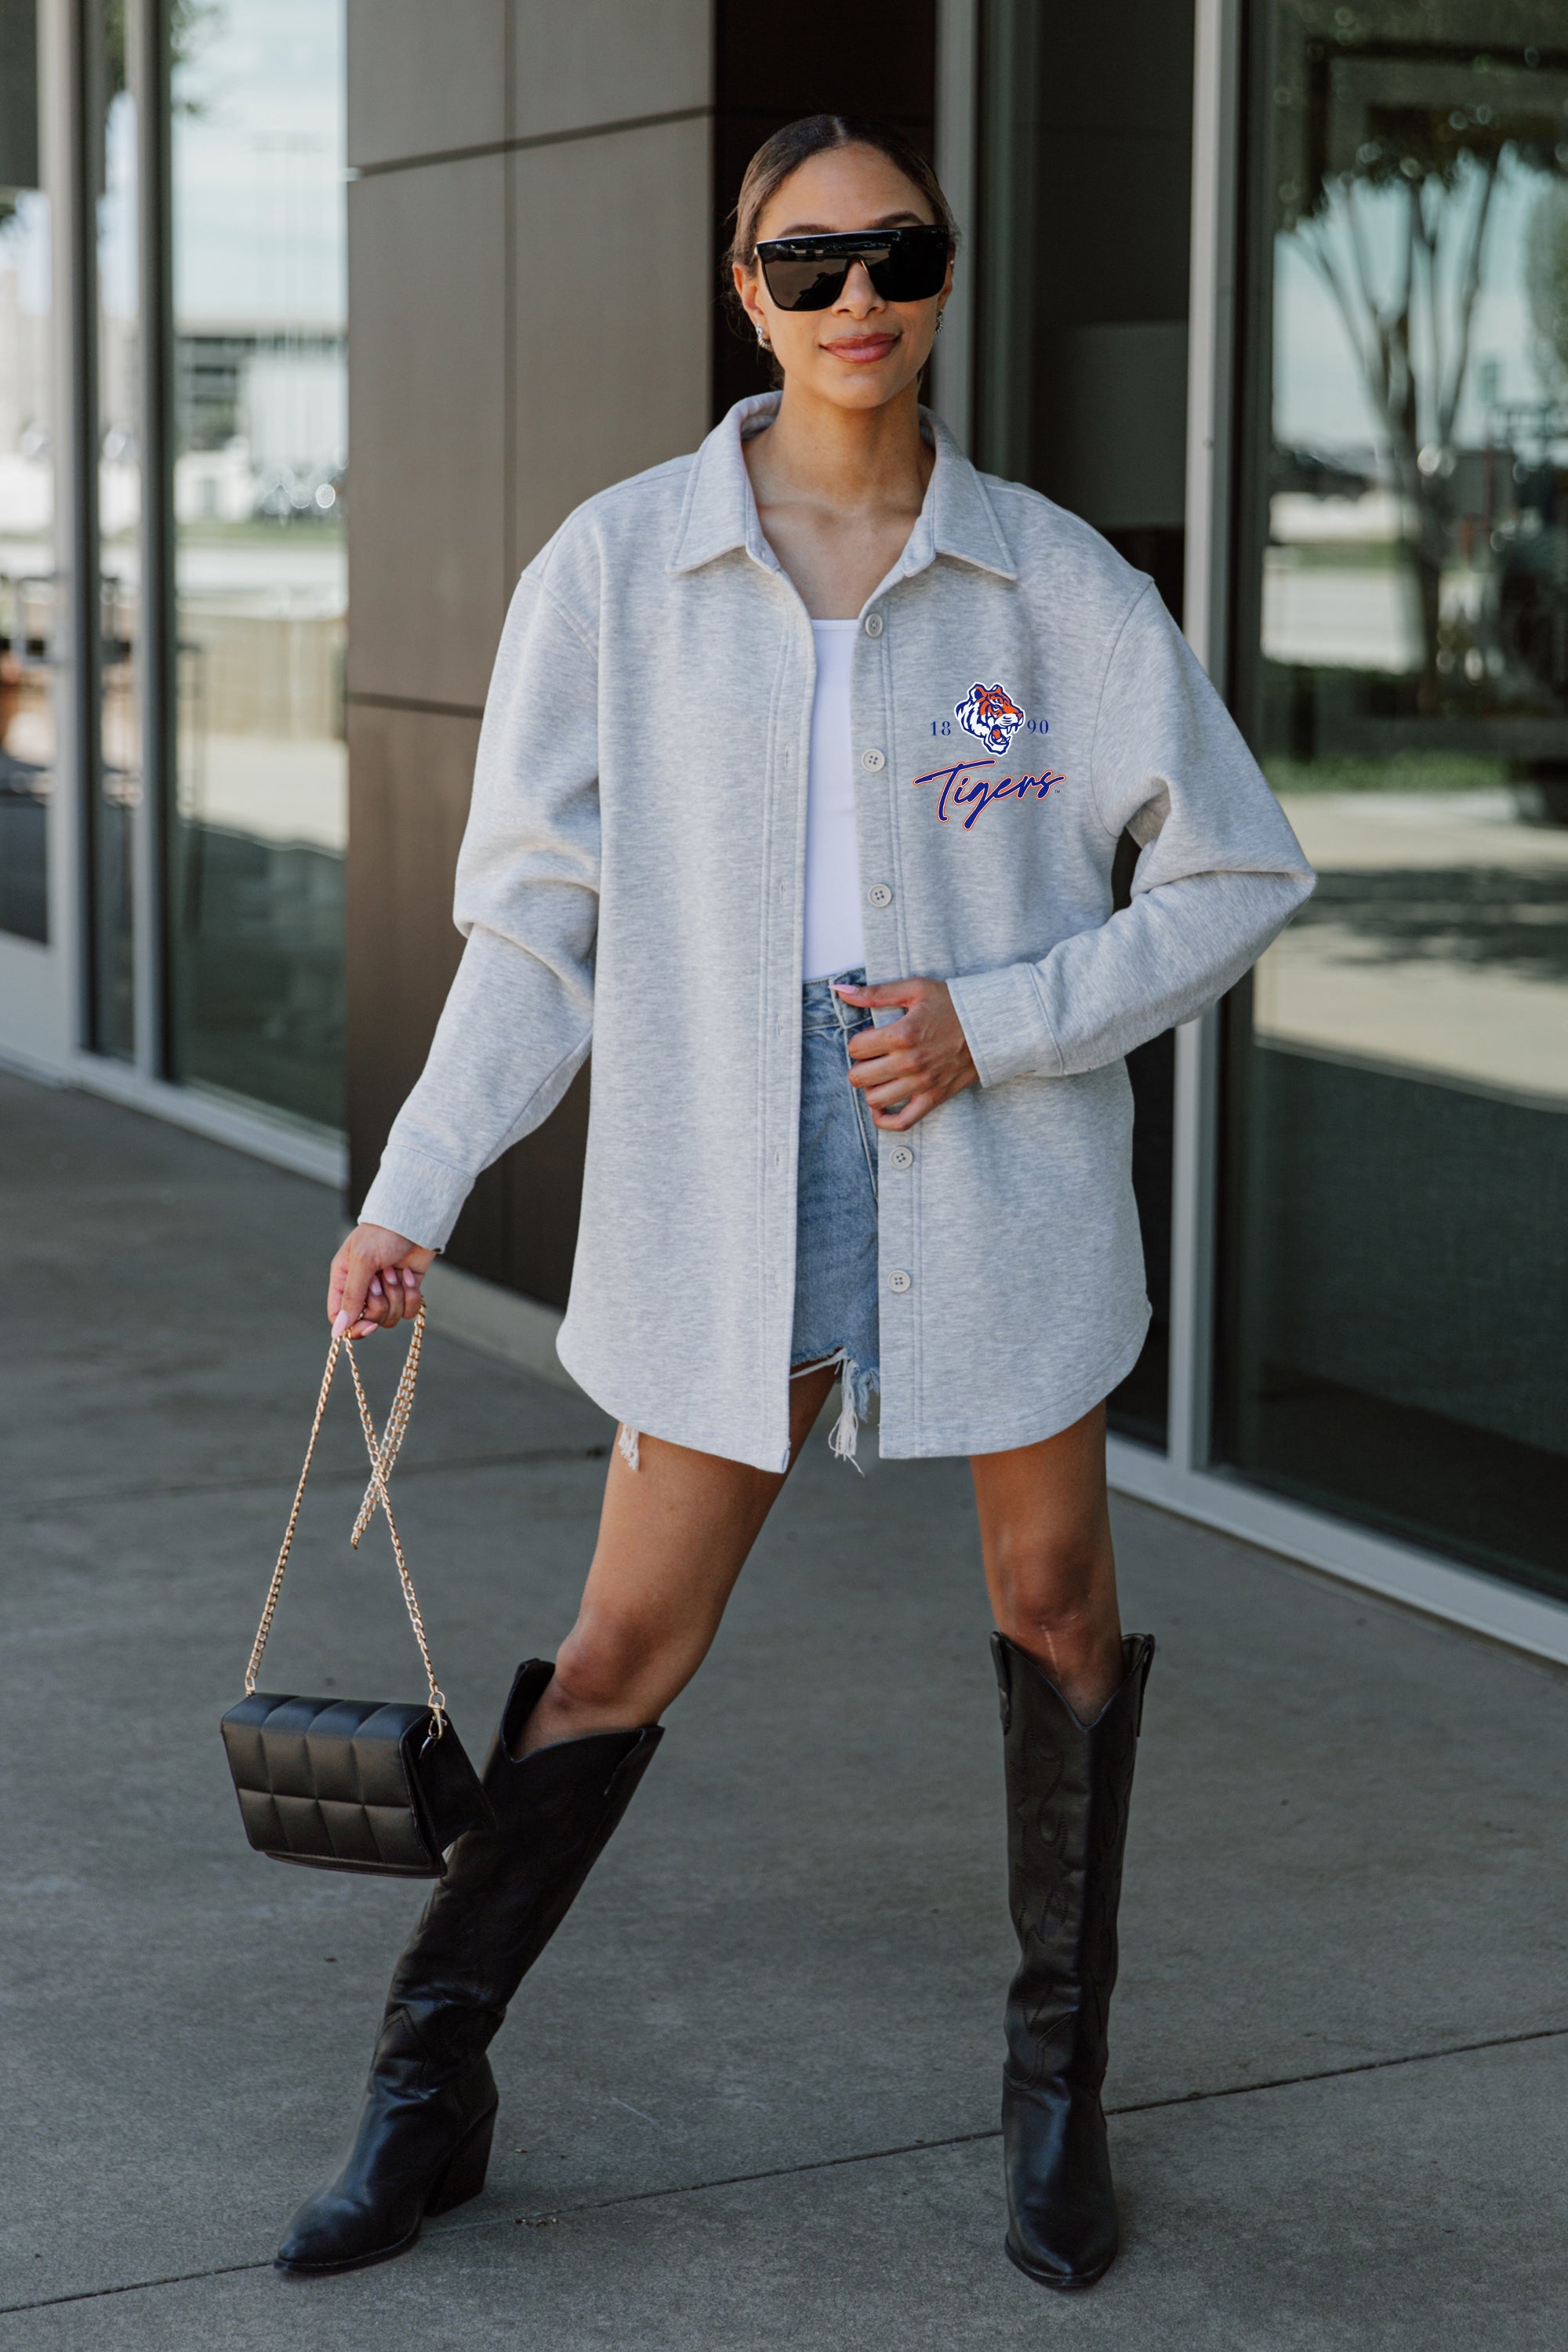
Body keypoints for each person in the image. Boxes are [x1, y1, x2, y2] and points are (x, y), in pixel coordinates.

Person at [276, 114, 1313, 2289]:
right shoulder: (621, 566)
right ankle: (425, 2087)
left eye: (898, 256)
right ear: (744, 289)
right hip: (715, 1161)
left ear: (941, 280)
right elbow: (538, 928)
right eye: (811, 261)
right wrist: (416, 1193)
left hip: (992, 1160)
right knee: (628, 1645)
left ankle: (1055, 2100)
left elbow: (1237, 866)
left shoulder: (1053, 578)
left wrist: (1003, 1023)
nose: (861, 299)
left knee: (1056, 1614)